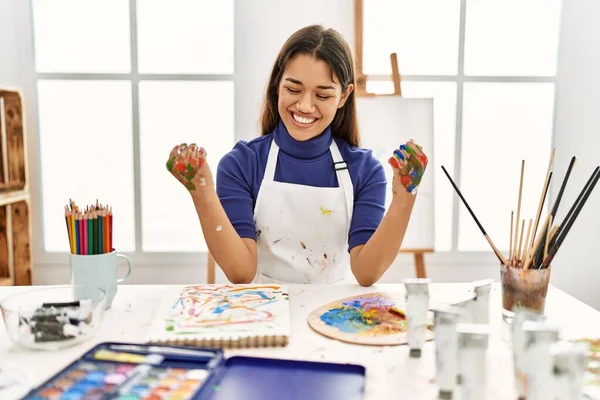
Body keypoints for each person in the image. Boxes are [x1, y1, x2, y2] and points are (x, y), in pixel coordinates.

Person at [166, 25, 428, 286]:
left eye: (323, 94)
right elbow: (240, 272)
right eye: (293, 89)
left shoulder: (365, 170)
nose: (304, 105)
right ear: (277, 84)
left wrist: (404, 199)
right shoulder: (242, 164)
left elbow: (367, 271)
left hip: (334, 316)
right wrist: (202, 193)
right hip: (262, 313)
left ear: (344, 96)